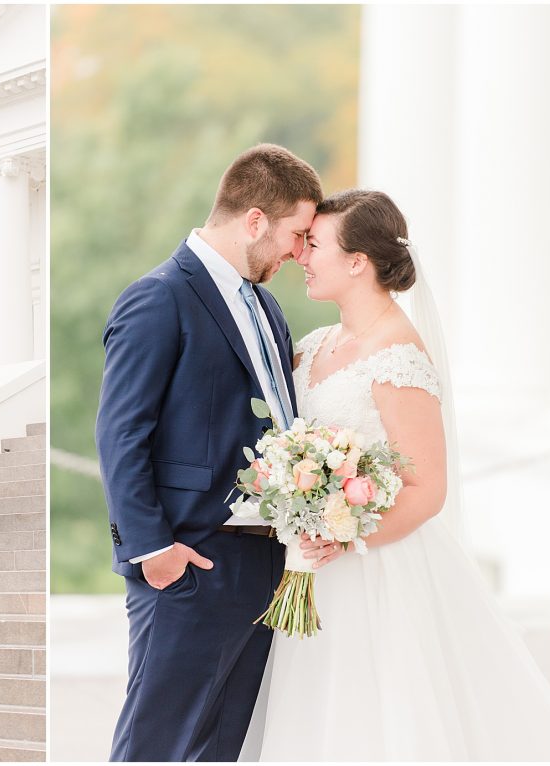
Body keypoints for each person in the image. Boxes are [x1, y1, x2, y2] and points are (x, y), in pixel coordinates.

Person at [242, 189, 550, 760]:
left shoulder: (397, 355)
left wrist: (344, 530)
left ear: (358, 261)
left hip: (378, 571)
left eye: (314, 245)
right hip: (316, 568)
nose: (301, 257)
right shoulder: (315, 347)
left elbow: (427, 489)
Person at [95, 143, 322, 761]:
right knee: (155, 748)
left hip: (264, 566)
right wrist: (152, 551)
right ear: (255, 220)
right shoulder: (157, 297)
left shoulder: (268, 308)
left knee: (222, 751)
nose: (298, 252)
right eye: (296, 234)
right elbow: (121, 434)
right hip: (186, 564)